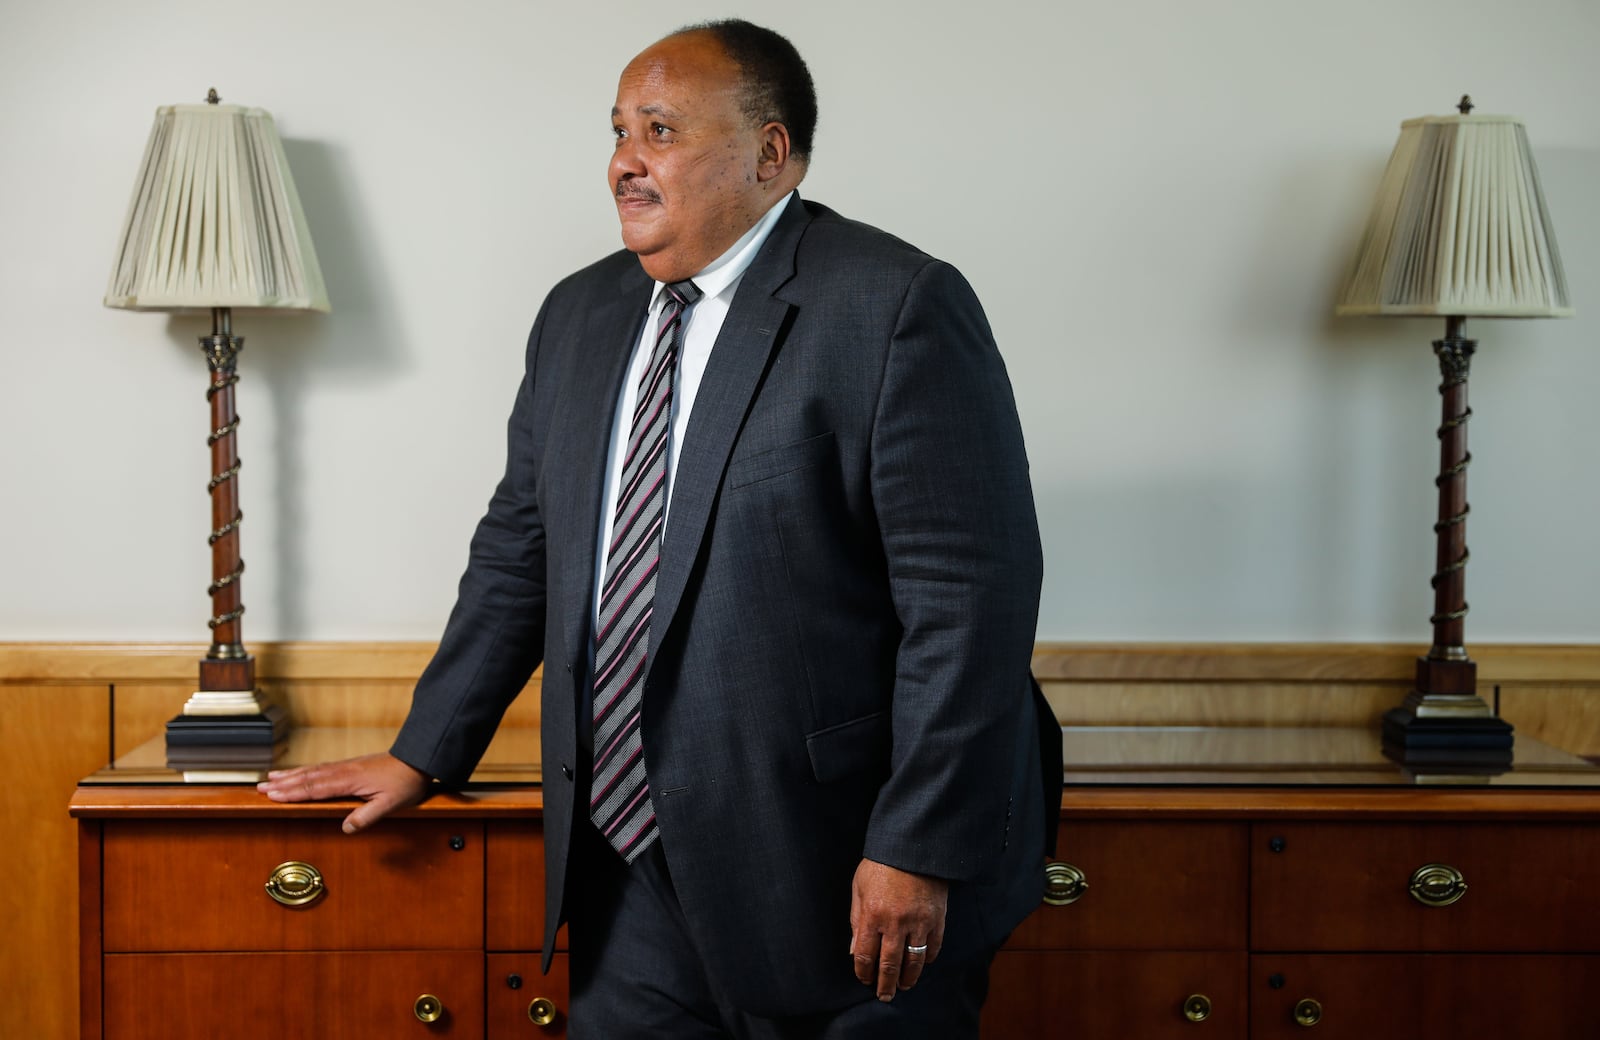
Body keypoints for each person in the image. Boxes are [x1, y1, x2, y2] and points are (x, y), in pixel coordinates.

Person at [259, 18, 1058, 1038]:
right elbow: (522, 549)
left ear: (770, 152)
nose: (624, 161)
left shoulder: (892, 305)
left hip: (840, 865)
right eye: (619, 129)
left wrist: (916, 844)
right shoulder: (578, 314)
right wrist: (426, 749)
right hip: (624, 862)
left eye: (661, 129)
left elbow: (968, 601)